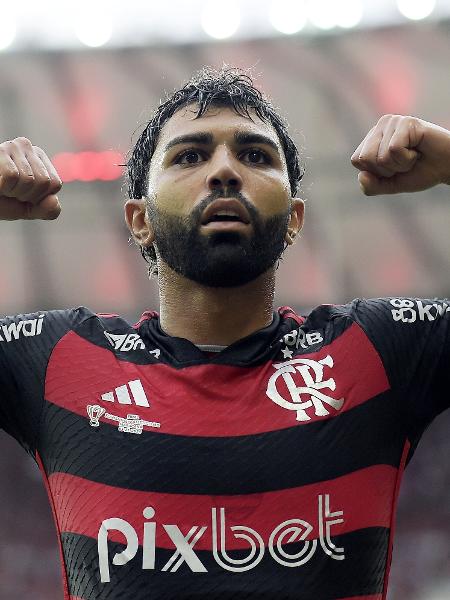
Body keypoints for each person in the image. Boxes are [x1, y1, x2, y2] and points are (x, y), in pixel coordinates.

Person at [0, 67, 448, 600]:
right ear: (138, 219)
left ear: (295, 219)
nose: (225, 172)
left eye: (256, 156)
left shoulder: (379, 350)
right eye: (189, 155)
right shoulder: (55, 359)